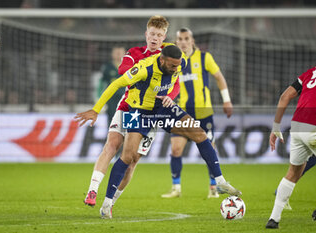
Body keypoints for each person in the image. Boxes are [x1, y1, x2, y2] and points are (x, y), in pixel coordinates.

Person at [75, 45, 242, 219]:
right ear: (162, 60)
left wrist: (171, 95)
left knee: (199, 133)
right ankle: (107, 204)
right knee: (128, 156)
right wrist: (95, 109)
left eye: (178, 66)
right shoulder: (143, 68)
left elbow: (176, 81)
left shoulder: (180, 61)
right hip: (138, 111)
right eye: (172, 66)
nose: (176, 69)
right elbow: (116, 84)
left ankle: (220, 181)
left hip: (163, 107)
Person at [82, 15, 179, 208]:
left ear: (164, 36)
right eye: (152, 34)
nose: (154, 38)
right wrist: (146, 68)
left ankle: (110, 202)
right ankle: (92, 190)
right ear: (146, 34)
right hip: (128, 106)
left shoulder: (169, 55)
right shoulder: (135, 53)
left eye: (159, 35)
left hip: (152, 113)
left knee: (132, 160)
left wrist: (171, 95)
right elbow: (122, 71)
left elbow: (177, 82)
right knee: (112, 144)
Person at [161, 28, 233, 199]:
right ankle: (176, 188)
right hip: (183, 113)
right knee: (176, 149)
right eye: (180, 39)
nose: (184, 42)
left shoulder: (204, 58)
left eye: (186, 38)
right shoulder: (174, 62)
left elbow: (219, 77)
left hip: (204, 113)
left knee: (210, 149)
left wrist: (226, 100)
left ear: (192, 41)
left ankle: (213, 187)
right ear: (176, 42)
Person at [266, 38, 316, 229]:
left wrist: (276, 126)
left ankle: (273, 219)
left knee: (293, 172)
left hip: (298, 127)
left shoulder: (312, 71)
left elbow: (285, 95)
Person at [97, 46, 126, 125]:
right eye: (116, 53)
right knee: (112, 121)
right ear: (112, 54)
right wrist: (98, 98)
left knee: (126, 121)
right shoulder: (107, 67)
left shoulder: (130, 66)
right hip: (111, 99)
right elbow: (101, 83)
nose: (118, 55)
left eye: (120, 53)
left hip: (126, 98)